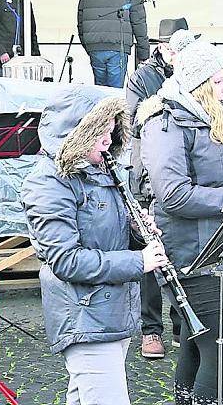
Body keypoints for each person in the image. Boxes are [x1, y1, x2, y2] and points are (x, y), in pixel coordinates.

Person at [140, 40, 223, 405]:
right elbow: (173, 195)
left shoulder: (212, 116)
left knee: (197, 345)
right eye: (218, 81)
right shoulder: (165, 123)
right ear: (198, 84)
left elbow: (220, 174)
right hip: (194, 251)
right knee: (221, 349)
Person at [21, 85, 168, 405]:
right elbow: (66, 260)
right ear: (75, 134)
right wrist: (139, 261)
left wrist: (136, 230)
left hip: (111, 310)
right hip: (84, 313)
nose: (108, 138)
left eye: (110, 129)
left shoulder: (101, 169)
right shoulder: (48, 182)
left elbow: (106, 232)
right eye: (99, 131)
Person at [127, 18, 196, 359]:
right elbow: (133, 122)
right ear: (163, 47)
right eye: (172, 47)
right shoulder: (141, 77)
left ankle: (183, 325)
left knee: (182, 252)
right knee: (150, 257)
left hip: (183, 170)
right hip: (148, 172)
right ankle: (150, 329)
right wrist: (169, 97)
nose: (176, 53)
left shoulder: (192, 71)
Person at [77, 0, 149, 88]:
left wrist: (87, 44)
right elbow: (139, 21)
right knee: (115, 92)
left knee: (100, 90)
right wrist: (143, 52)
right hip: (118, 45)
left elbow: (80, 19)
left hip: (95, 46)